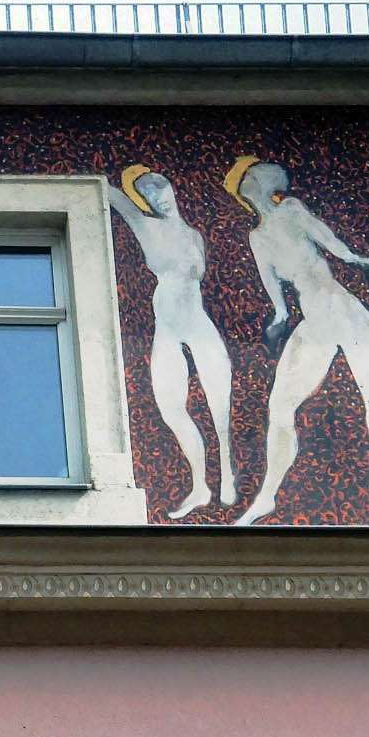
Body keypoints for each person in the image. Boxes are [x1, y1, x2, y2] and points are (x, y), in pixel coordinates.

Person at [228, 160, 369, 525]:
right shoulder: (257, 237)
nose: (245, 179)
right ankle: (266, 497)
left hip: (339, 306)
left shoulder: (291, 209)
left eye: (252, 175)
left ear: (265, 183)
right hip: (314, 321)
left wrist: (354, 258)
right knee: (279, 407)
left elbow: (326, 238)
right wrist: (278, 319)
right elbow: (273, 288)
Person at [106, 167, 236, 517]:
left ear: (172, 188)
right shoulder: (145, 226)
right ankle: (200, 485)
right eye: (147, 193)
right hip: (167, 327)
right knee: (170, 408)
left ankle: (227, 471)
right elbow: (114, 197)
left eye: (159, 186)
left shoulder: (194, 236)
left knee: (219, 402)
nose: (156, 196)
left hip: (198, 324)